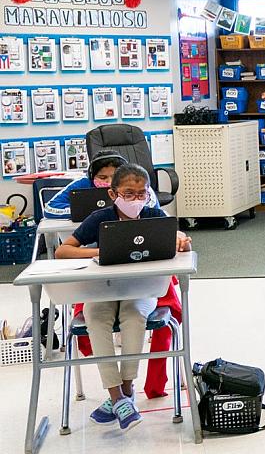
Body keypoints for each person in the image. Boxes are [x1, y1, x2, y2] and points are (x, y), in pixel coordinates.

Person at [56, 163, 192, 431]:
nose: (135, 200)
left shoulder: (154, 215)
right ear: (113, 194)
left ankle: (125, 391)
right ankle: (118, 396)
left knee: (134, 315)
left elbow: (180, 240)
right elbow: (63, 251)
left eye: (141, 193)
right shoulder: (100, 218)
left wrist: (182, 240)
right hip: (103, 288)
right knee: (95, 316)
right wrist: (99, 252)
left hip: (141, 289)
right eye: (128, 193)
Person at [43, 153, 159, 218]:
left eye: (114, 177)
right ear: (92, 176)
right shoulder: (83, 183)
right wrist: (84, 212)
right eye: (102, 178)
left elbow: (152, 206)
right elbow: (50, 208)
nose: (109, 182)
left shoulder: (137, 183)